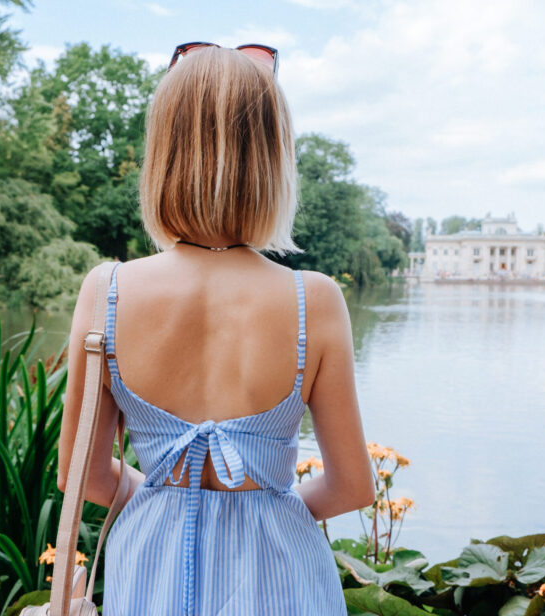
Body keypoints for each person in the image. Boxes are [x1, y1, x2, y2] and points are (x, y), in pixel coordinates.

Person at [58, 41, 375, 615]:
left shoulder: (107, 290)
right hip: (282, 575)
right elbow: (353, 485)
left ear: (164, 154)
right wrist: (264, 506)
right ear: (272, 159)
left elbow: (80, 474)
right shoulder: (315, 300)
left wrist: (163, 495)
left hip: (150, 565)